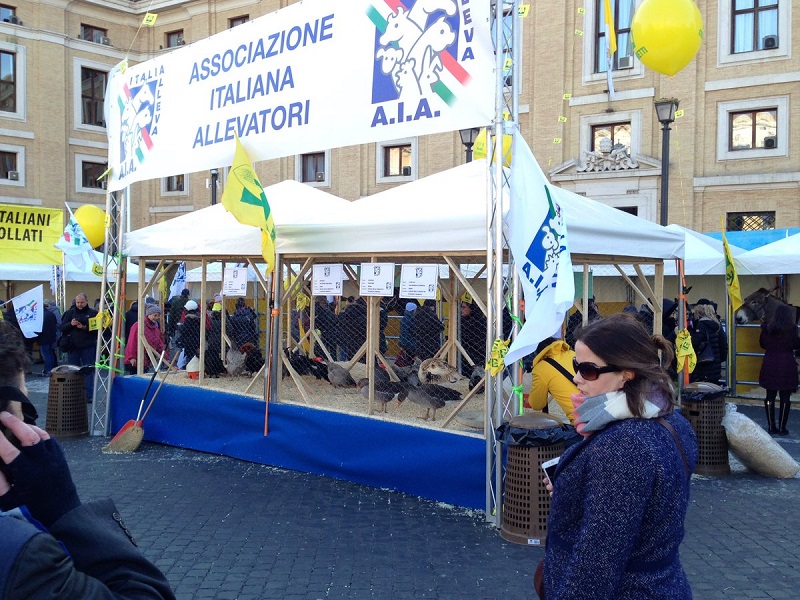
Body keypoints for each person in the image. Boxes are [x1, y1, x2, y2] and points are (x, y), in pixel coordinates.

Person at [541, 313, 697, 599]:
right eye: (576, 365)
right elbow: (650, 504)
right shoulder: (671, 419)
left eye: (588, 370)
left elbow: (597, 563)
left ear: (627, 373)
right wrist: (575, 491)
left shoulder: (623, 445)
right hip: (663, 583)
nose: (576, 378)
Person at [758, 303, 800, 435]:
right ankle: (782, 427)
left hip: (770, 362)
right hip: (787, 364)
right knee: (785, 397)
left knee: (770, 396)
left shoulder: (767, 329)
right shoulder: (792, 329)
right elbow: (796, 344)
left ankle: (771, 426)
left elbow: (762, 344)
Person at [527, 337, 579, 423]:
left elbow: (536, 405)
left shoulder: (541, 368)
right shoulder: (574, 354)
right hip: (600, 409)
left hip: (581, 421)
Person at [60, 293, 98, 402]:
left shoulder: (93, 313)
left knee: (88, 370)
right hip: (73, 347)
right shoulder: (69, 313)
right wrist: (71, 324)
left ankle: (88, 395)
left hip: (87, 347)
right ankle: (73, 394)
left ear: (86, 301)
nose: (80, 305)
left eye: (82, 302)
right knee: (72, 371)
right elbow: (62, 328)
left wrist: (84, 327)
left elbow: (97, 330)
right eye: (78, 302)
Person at [124, 304, 168, 374]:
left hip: (147, 359)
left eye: (158, 315)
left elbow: (159, 343)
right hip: (137, 359)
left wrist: (165, 356)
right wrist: (132, 357)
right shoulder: (138, 326)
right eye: (155, 315)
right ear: (148, 314)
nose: (157, 317)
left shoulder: (155, 328)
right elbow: (132, 342)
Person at [689, 303, 727, 384]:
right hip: (715, 363)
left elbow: (695, 342)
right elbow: (723, 343)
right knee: (712, 386)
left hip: (705, 364)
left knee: (703, 387)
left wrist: (690, 334)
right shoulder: (716, 324)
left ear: (698, 314)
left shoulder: (701, 324)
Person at [459, 298, 487, 377]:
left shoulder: (479, 323)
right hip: (466, 358)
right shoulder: (461, 321)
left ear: (471, 308)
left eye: (464, 307)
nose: (461, 310)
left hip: (476, 357)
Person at [35, 300, 59, 377]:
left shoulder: (42, 316)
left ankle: (48, 371)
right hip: (51, 337)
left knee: (46, 355)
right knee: (50, 354)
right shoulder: (51, 314)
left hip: (43, 338)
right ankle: (50, 370)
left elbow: (40, 328)